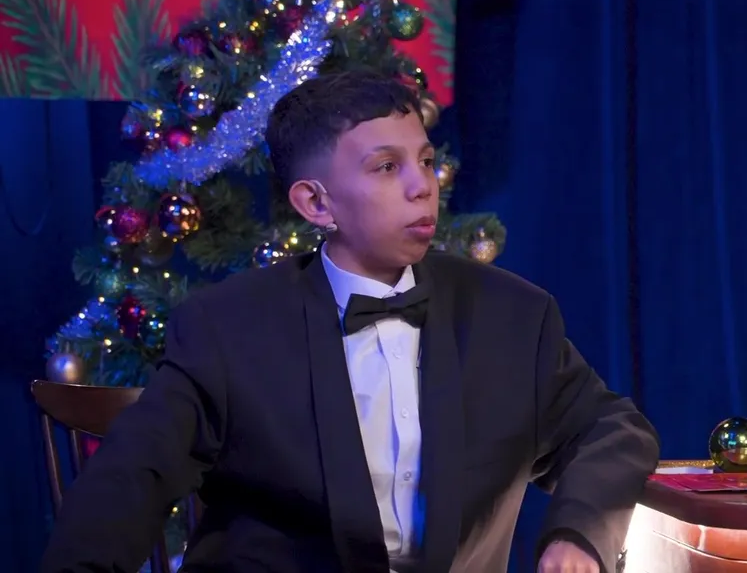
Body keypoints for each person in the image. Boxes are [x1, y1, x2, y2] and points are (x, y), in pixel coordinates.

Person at [41, 70, 660, 573]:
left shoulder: (512, 315)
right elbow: (130, 480)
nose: (423, 186)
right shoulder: (229, 328)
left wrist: (578, 535)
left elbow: (611, 428)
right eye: (387, 167)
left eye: (424, 160)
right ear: (316, 202)